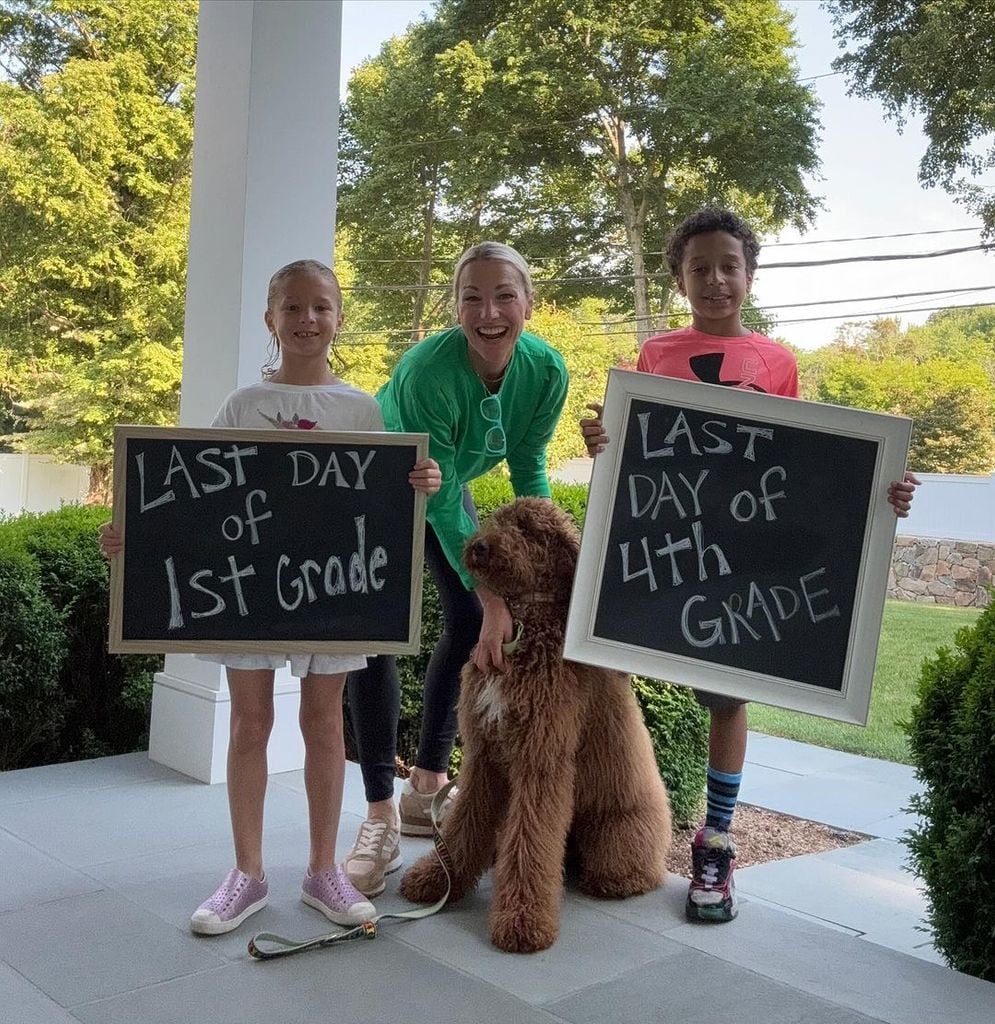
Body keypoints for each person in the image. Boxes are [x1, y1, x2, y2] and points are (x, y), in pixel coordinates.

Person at [579, 208, 919, 924]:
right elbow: (639, 454)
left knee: (728, 696)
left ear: (749, 274)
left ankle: (716, 842)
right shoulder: (654, 355)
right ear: (678, 277)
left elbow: (800, 466)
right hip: (668, 553)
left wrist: (880, 490)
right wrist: (604, 438)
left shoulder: (777, 362)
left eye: (728, 265)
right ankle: (603, 819)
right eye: (698, 267)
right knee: (607, 672)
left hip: (738, 561)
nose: (714, 279)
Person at [99, 259, 441, 936]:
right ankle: (247, 874)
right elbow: (199, 498)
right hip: (247, 592)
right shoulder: (243, 405)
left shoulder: (362, 409)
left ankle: (322, 871)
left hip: (329, 594)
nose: (306, 320)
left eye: (320, 307)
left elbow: (379, 504)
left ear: (339, 318)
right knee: (249, 725)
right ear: (270, 319)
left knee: (323, 725)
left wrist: (420, 483)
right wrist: (135, 535)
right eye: (292, 308)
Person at [343, 241, 569, 898]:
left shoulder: (545, 369)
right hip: (384, 480)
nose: (488, 311)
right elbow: (438, 500)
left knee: (471, 615)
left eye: (504, 296)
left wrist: (543, 560)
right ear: (455, 305)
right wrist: (496, 592)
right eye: (471, 296)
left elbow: (527, 463)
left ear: (528, 302)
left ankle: (427, 784)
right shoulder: (425, 373)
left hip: (445, 480)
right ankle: (379, 814)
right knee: (379, 634)